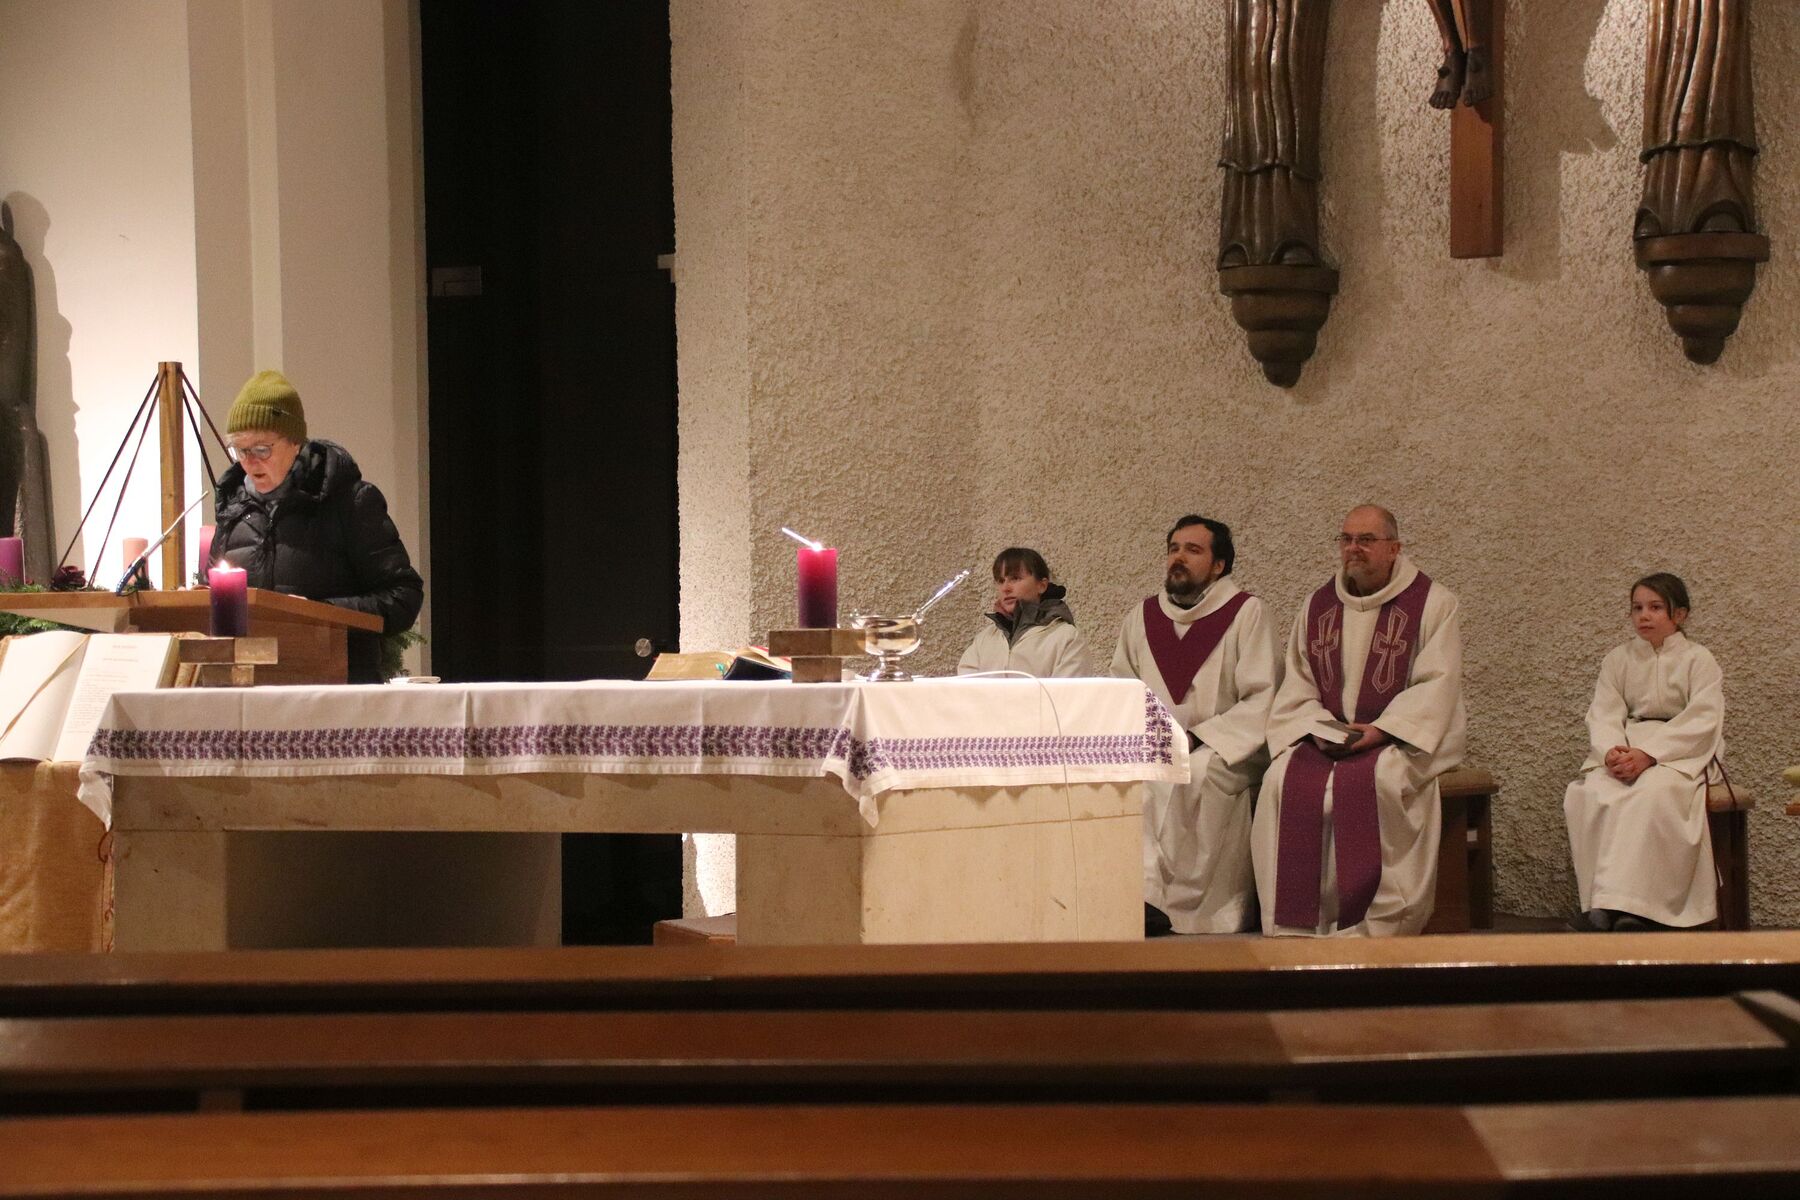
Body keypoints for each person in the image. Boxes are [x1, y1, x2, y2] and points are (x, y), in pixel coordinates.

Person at [1251, 505, 1465, 936]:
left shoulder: (1433, 603)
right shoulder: (1318, 605)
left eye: (1366, 540)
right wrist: (1316, 728)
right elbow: (1299, 681)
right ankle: (1297, 923)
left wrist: (1382, 730)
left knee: (1381, 781)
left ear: (1394, 548)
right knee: (1279, 779)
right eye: (1346, 539)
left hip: (1397, 739)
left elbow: (1436, 684)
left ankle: (1372, 923)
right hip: (1330, 738)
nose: (1353, 549)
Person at [1114, 515, 1277, 935]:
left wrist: (1198, 737)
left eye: (1193, 550)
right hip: (1156, 745)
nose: (1179, 558)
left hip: (1225, 748)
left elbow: (1261, 695)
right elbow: (1122, 688)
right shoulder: (1142, 617)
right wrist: (1152, 736)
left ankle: (1190, 909)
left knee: (1194, 775)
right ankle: (1137, 896)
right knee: (1134, 779)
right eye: (1174, 549)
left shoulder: (1246, 613)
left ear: (1219, 565)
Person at [209, 370, 424, 683]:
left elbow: (404, 596)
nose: (250, 461)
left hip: (337, 688)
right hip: (252, 689)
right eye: (240, 450)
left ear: (295, 442)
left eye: (262, 449)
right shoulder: (234, 510)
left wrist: (320, 613)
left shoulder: (350, 502)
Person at [1563, 573, 1723, 932]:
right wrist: (1612, 752)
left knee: (1653, 794)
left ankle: (1644, 911)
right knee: (1595, 792)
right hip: (1628, 746)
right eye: (1637, 608)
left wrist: (1650, 754)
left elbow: (1704, 718)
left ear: (1679, 614)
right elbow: (1603, 713)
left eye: (1655, 607)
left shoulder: (1699, 659)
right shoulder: (1618, 659)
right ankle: (1603, 905)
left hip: (1680, 753)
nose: (1644, 616)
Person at [956, 547, 1092, 678]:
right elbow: (965, 689)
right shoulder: (984, 640)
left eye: (1015, 578)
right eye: (1001, 581)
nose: (1005, 588)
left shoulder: (1066, 638)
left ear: (1042, 585)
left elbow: (1067, 692)